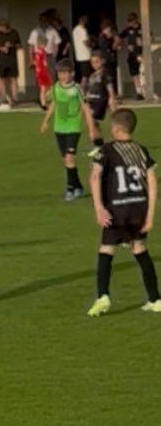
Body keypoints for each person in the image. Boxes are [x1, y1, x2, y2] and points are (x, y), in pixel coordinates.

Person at [86, 108, 160, 316]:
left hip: (117, 208)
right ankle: (155, 299)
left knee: (107, 249)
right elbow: (152, 182)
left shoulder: (107, 150)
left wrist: (99, 207)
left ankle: (103, 296)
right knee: (139, 248)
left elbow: (94, 177)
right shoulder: (141, 150)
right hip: (139, 208)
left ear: (116, 128)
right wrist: (150, 215)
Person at [40, 58, 89, 201]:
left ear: (72, 73)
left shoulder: (76, 88)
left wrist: (90, 124)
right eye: (60, 73)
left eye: (66, 73)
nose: (63, 76)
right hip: (59, 128)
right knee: (67, 161)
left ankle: (70, 189)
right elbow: (54, 104)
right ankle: (78, 186)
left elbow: (85, 106)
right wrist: (46, 121)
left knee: (69, 159)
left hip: (73, 127)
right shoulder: (56, 87)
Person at [82, 49, 117, 148]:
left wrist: (112, 99)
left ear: (103, 61)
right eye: (92, 62)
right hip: (91, 101)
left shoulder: (105, 73)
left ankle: (95, 141)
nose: (94, 64)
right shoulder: (92, 75)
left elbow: (110, 88)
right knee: (94, 124)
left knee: (91, 124)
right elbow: (90, 89)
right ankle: (100, 145)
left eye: (97, 62)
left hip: (99, 102)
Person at [28, 12, 59, 106]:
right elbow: (30, 46)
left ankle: (51, 99)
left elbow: (57, 43)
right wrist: (31, 60)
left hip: (50, 56)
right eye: (42, 20)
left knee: (52, 78)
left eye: (45, 20)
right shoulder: (35, 32)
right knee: (41, 80)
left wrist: (54, 56)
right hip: (39, 57)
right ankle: (42, 100)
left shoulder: (52, 31)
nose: (44, 22)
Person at [0, 18, 21, 109]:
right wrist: (1, 48)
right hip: (2, 60)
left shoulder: (14, 33)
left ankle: (15, 99)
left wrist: (11, 45)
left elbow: (19, 45)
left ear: (5, 26)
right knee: (2, 79)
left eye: (1, 27)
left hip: (12, 59)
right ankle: (4, 99)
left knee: (13, 79)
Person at [120, 14, 145, 99]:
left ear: (136, 20)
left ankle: (144, 92)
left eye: (131, 20)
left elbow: (149, 38)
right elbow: (120, 36)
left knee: (142, 74)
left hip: (141, 55)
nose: (130, 22)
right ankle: (139, 93)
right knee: (134, 75)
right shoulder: (128, 29)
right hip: (131, 55)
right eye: (129, 20)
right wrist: (121, 44)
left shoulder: (143, 28)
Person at [71, 15, 93, 81]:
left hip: (79, 56)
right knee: (85, 76)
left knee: (84, 75)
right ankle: (82, 90)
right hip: (86, 55)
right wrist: (92, 44)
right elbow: (85, 42)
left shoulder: (75, 29)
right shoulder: (83, 29)